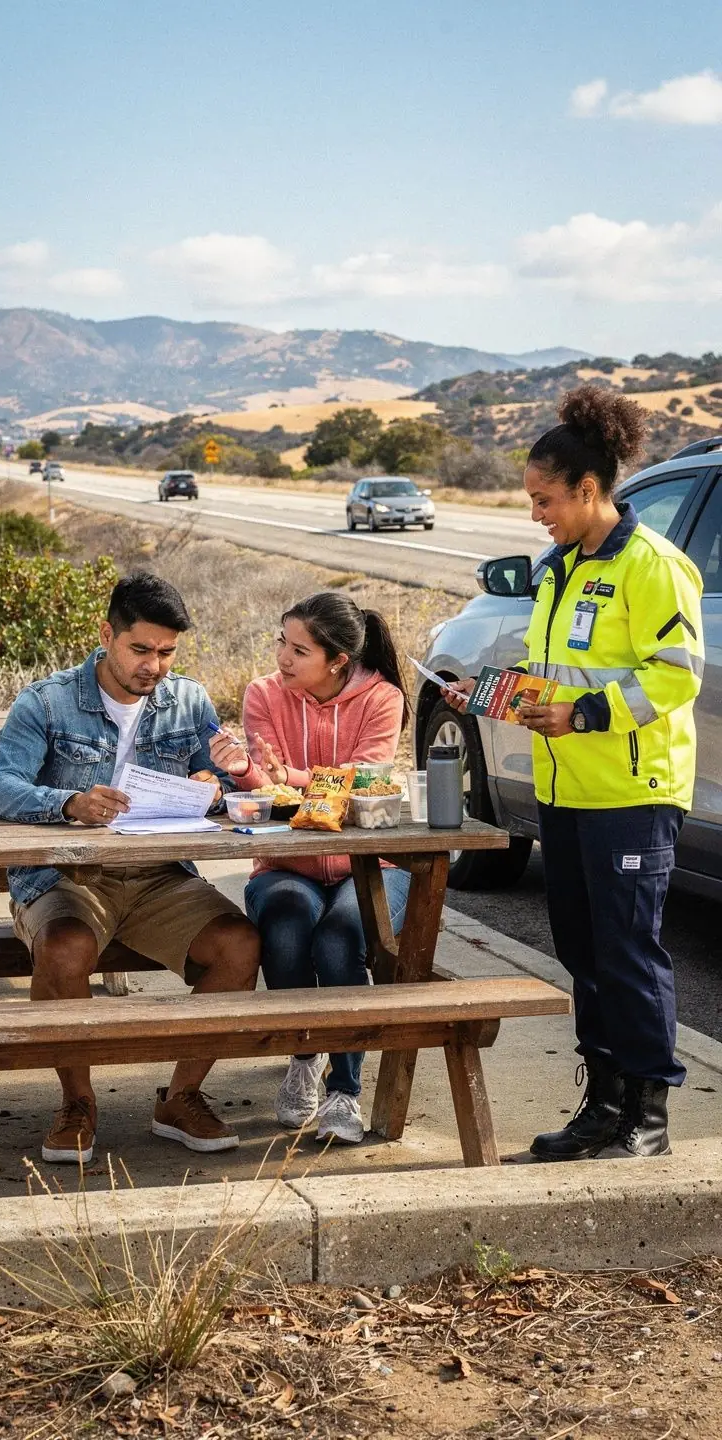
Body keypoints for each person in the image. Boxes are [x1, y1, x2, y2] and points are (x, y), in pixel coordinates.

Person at [443, 386, 704, 1161]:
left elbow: (675, 676)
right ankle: (605, 1106)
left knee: (628, 953)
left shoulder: (654, 565)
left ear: (589, 490)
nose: (536, 514)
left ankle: (648, 1120)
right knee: (583, 953)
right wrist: (494, 692)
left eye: (544, 498)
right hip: (564, 791)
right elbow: (553, 668)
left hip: (632, 794)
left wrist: (585, 716)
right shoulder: (559, 569)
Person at [0, 571, 260, 1164]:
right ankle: (77, 1103)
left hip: (159, 875)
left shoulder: (189, 699)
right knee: (63, 949)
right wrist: (66, 803)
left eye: (166, 652)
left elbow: (219, 778)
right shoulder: (46, 701)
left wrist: (217, 778)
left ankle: (182, 1095)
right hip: (68, 875)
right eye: (140, 649)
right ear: (107, 634)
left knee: (238, 945)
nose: (154, 666)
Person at [210, 592, 411, 1145]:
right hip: (286, 860)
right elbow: (264, 786)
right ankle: (304, 1057)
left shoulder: (382, 698)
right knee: (286, 923)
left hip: (371, 864)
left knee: (341, 936)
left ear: (338, 660)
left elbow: (367, 780)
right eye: (282, 641)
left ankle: (345, 1089)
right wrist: (245, 768)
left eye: (299, 650)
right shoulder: (262, 696)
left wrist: (293, 775)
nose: (283, 657)